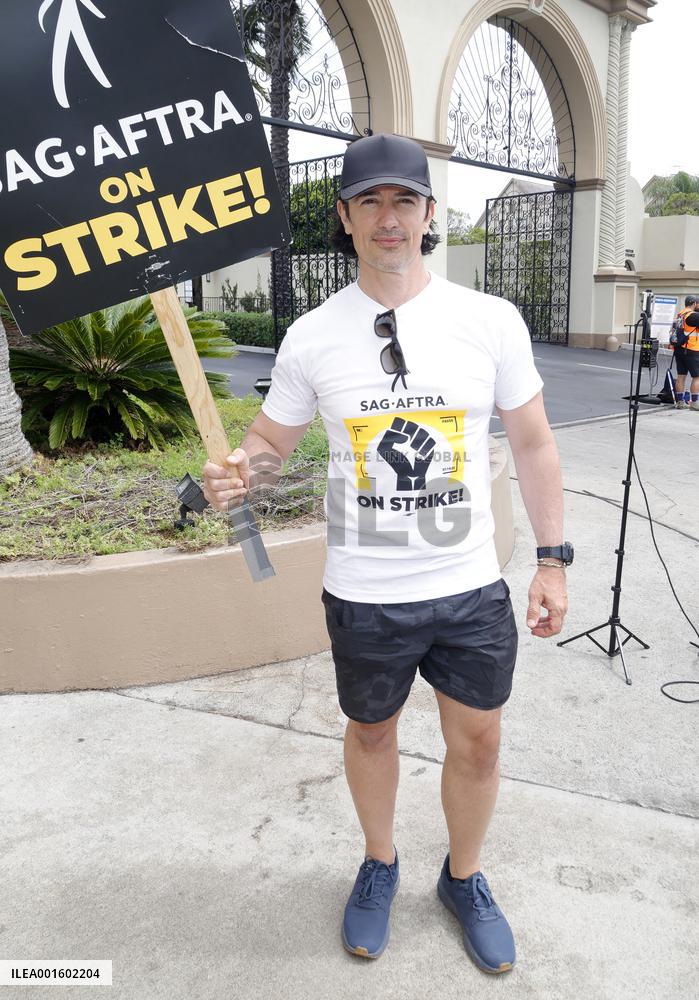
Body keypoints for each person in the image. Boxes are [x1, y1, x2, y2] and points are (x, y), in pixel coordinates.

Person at [202, 133, 570, 973]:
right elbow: (269, 440)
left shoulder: (488, 321)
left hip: (468, 586)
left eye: (404, 200)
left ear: (429, 214)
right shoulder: (312, 336)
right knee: (371, 735)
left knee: (478, 742)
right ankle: (378, 863)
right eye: (368, 201)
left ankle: (463, 876)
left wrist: (551, 559)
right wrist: (239, 478)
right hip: (365, 590)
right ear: (344, 216)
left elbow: (536, 445)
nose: (388, 218)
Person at [672, 294, 699, 409]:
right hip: (692, 350)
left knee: (681, 376)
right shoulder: (693, 316)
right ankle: (694, 403)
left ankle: (680, 402)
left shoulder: (680, 314)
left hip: (679, 349)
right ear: (694, 304)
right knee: (697, 377)